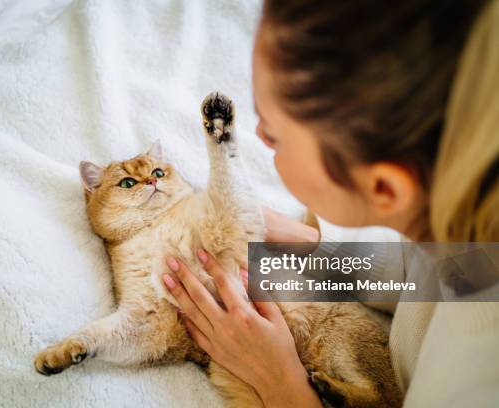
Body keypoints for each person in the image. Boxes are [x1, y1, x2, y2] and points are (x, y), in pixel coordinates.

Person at [160, 0, 499, 406]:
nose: (260, 137)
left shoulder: (479, 377)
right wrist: (309, 242)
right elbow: (421, 274)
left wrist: (281, 382)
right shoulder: (468, 211)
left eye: (276, 134)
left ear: (385, 189)